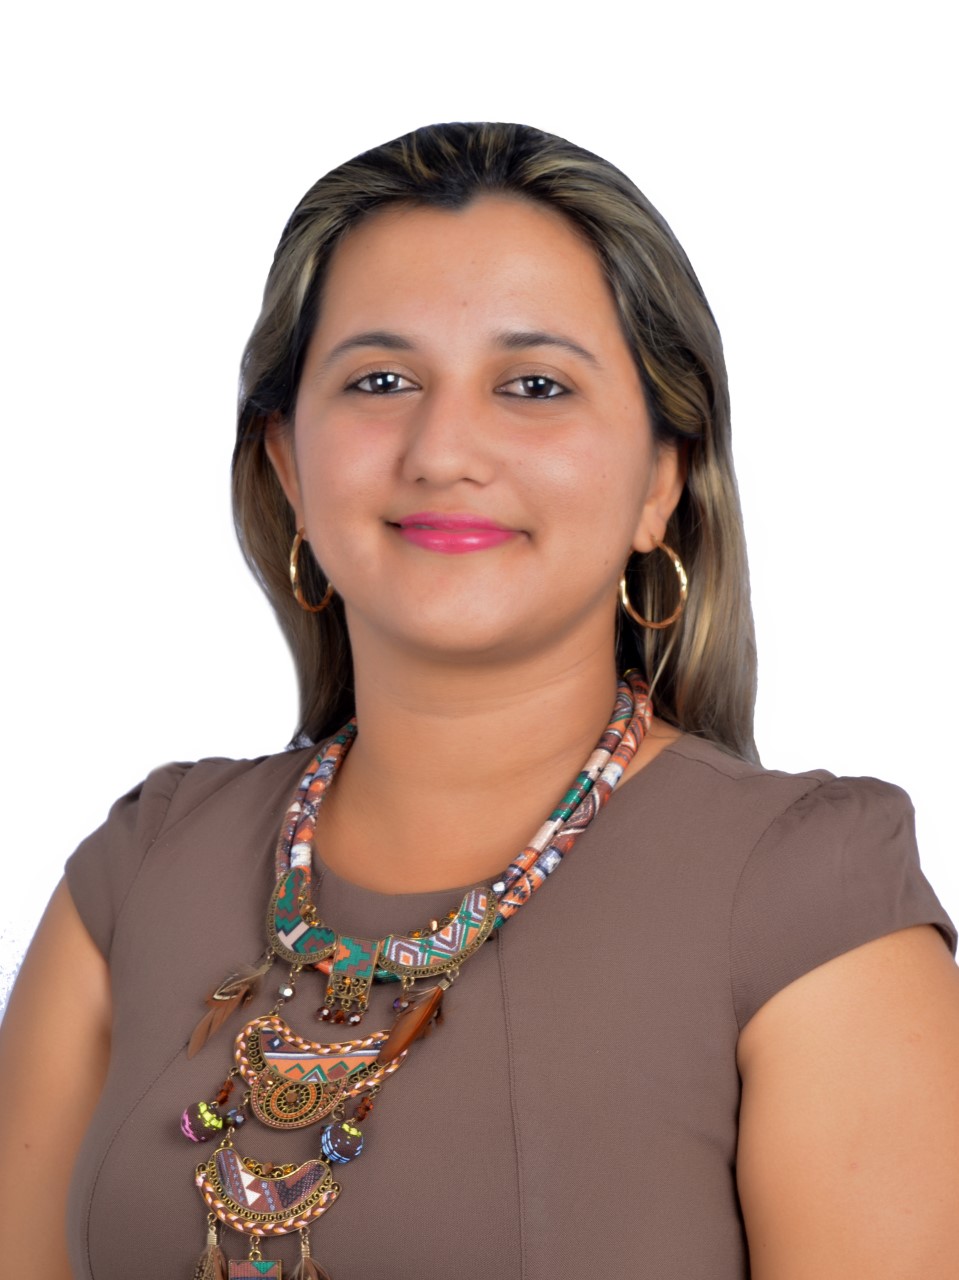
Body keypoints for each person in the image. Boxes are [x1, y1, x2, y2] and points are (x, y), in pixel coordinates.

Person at [1, 122, 957, 1280]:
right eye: (380, 380)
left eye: (534, 384)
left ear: (660, 477)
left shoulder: (807, 895)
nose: (443, 448)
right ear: (289, 463)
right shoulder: (141, 867)